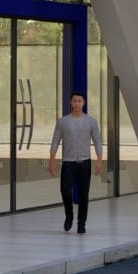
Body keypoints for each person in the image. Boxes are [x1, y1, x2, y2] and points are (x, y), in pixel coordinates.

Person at [47, 91, 103, 234]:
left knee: (84, 194)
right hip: (68, 162)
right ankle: (69, 215)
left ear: (83, 103)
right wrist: (52, 161)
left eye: (79, 101)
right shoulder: (63, 122)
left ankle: (81, 223)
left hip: (84, 163)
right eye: (74, 101)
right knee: (65, 191)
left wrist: (99, 161)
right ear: (70, 103)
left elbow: (97, 142)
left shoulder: (91, 121)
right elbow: (55, 141)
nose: (77, 103)